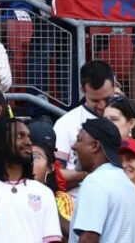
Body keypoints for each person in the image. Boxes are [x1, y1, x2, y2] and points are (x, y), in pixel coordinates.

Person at [70, 118, 135, 242]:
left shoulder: (95, 182)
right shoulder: (127, 184)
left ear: (95, 146)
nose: (74, 146)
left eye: (79, 140)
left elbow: (88, 238)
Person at [53, 60, 115, 190]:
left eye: (107, 98)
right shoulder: (66, 124)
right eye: (95, 100)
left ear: (114, 86)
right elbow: (55, 175)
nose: (102, 106)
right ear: (82, 90)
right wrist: (88, 174)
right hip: (76, 202)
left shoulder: (126, 117)